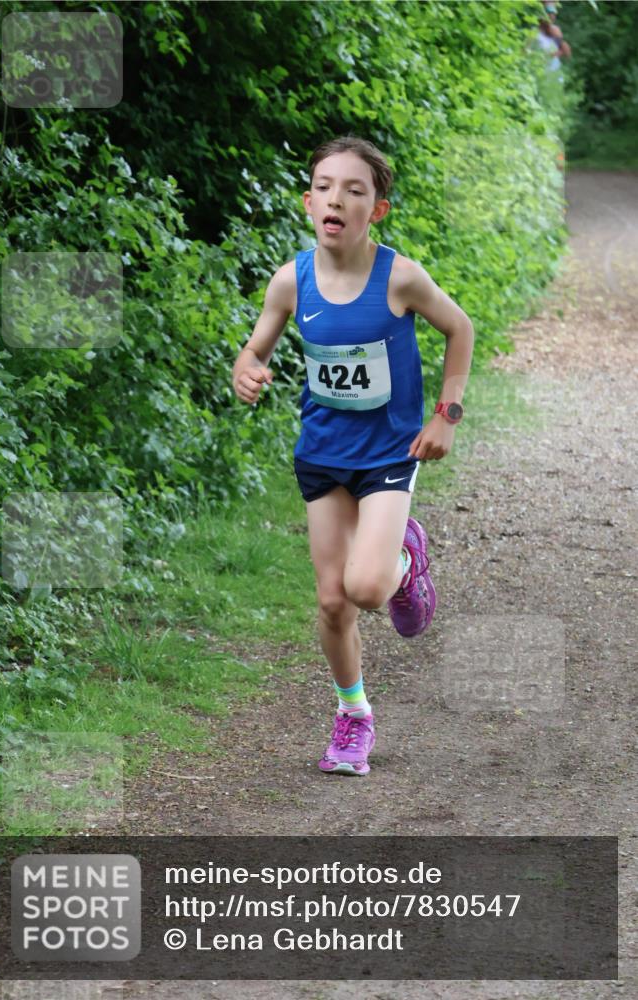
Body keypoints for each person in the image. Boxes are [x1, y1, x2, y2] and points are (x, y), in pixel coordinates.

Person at [232, 136, 474, 776]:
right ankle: (353, 716)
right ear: (309, 201)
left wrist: (446, 415)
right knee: (334, 602)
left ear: (379, 209)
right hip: (323, 456)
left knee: (367, 588)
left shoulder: (399, 277)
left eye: (354, 189)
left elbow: (460, 329)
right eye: (324, 185)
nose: (335, 197)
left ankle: (404, 556)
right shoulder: (292, 280)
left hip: (389, 453)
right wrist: (246, 368)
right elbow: (255, 349)